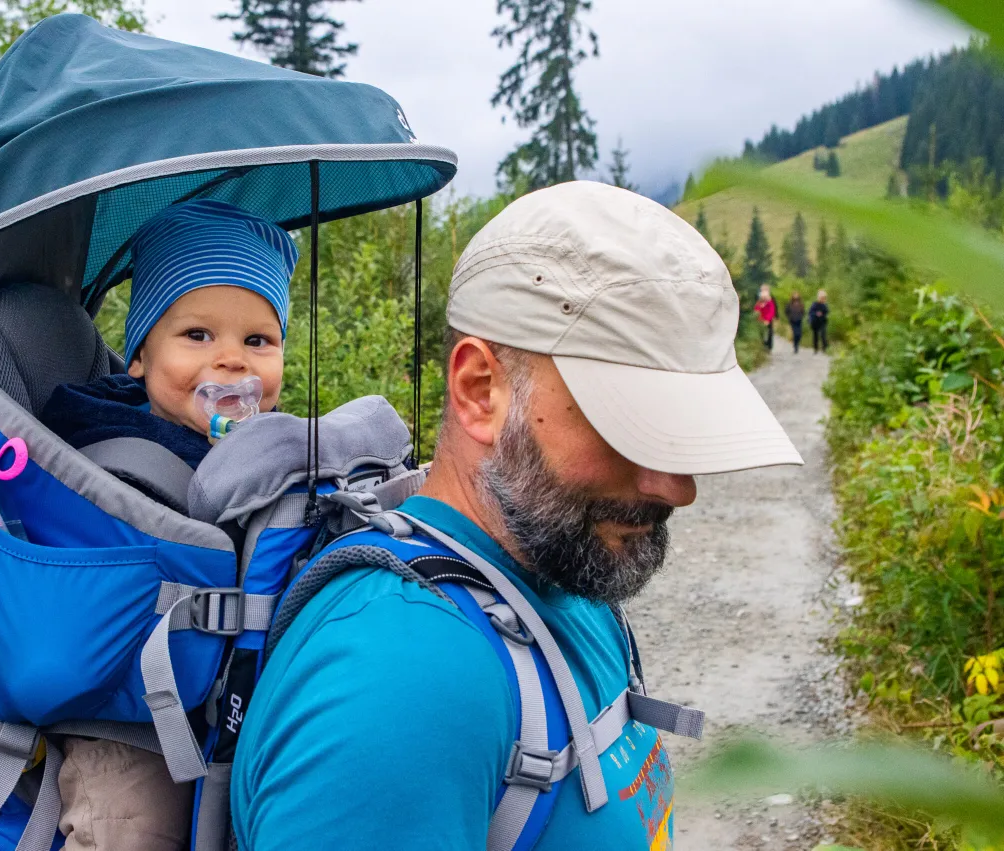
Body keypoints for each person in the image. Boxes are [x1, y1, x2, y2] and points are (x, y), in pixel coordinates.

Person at [231, 181, 802, 850]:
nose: (677, 487)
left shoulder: (556, 570)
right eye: (630, 425)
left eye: (680, 429)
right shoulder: (396, 686)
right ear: (480, 390)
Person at [40, 199, 298, 851]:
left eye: (258, 340)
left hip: (221, 710)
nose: (233, 361)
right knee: (131, 831)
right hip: (127, 730)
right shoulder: (116, 454)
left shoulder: (253, 445)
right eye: (198, 336)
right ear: (139, 358)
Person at [754, 283, 776, 351]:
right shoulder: (759, 302)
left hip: (768, 320)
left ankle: (769, 346)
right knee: (761, 334)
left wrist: (767, 319)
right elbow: (756, 309)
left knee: (769, 333)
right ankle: (762, 346)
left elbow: (772, 311)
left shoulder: (770, 301)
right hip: (760, 320)